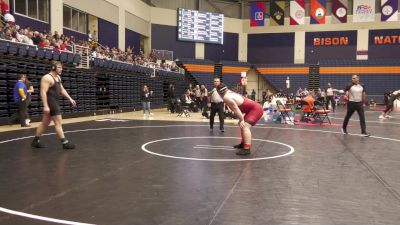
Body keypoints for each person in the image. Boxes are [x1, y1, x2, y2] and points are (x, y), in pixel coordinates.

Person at [31, 61, 77, 149]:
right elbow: (43, 92)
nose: (61, 69)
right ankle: (65, 143)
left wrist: (70, 99)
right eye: (59, 67)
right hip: (51, 103)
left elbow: (62, 90)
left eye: (61, 67)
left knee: (45, 123)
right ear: (53, 68)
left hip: (54, 102)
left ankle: (35, 141)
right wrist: (45, 105)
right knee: (58, 122)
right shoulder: (47, 78)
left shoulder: (58, 77)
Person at [217, 83, 263, 155]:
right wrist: (241, 119)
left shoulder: (226, 97)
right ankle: (243, 144)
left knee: (245, 126)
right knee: (241, 125)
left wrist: (241, 119)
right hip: (254, 108)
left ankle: (247, 149)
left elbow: (235, 108)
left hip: (256, 109)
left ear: (218, 92)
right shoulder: (230, 93)